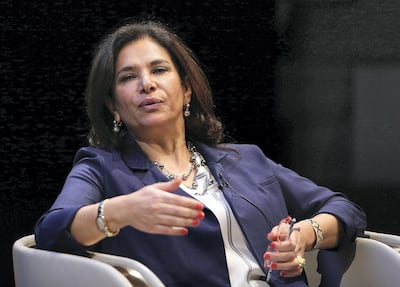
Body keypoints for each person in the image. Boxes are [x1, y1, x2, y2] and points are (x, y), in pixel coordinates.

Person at [34, 19, 367, 287]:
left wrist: (304, 235)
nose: (146, 84)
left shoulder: (246, 160)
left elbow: (343, 209)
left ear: (186, 89)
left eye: (159, 70)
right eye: (128, 77)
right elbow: (49, 232)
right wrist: (119, 212)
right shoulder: (102, 168)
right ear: (113, 107)